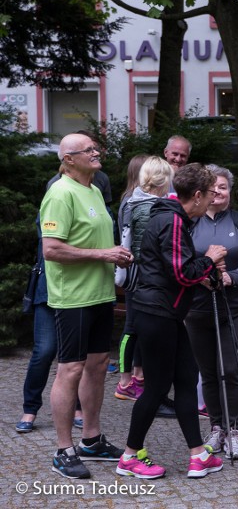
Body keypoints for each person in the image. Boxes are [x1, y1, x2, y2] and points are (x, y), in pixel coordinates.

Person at [117, 163, 227, 479]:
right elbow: (181, 272)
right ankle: (128, 457)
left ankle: (197, 454)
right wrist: (211, 259)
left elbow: (175, 267)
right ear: (197, 195)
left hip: (167, 313)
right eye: (210, 194)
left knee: (185, 377)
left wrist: (201, 271)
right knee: (155, 388)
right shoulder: (172, 221)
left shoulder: (172, 218)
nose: (213, 199)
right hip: (157, 314)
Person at [40, 132, 132, 479]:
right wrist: (102, 253)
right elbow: (52, 249)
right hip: (73, 298)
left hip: (100, 293)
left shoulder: (93, 189)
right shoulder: (60, 194)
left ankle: (91, 439)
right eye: (88, 150)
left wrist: (116, 254)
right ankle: (63, 449)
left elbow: (93, 240)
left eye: (97, 148)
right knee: (71, 369)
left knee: (97, 366)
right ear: (68, 159)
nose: (97, 153)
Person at [185, 165, 238, 460]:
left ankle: (235, 430)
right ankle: (216, 427)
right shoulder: (189, 223)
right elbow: (178, 258)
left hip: (235, 307)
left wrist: (234, 276)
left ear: (230, 191)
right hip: (197, 307)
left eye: (223, 187)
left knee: (231, 370)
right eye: (213, 188)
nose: (218, 192)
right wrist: (199, 276)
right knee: (207, 372)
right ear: (202, 192)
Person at [115, 157, 173, 402]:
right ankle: (126, 381)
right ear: (163, 180)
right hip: (141, 277)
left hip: (138, 274)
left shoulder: (135, 200)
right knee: (133, 327)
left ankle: (138, 378)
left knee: (137, 327)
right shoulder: (148, 206)